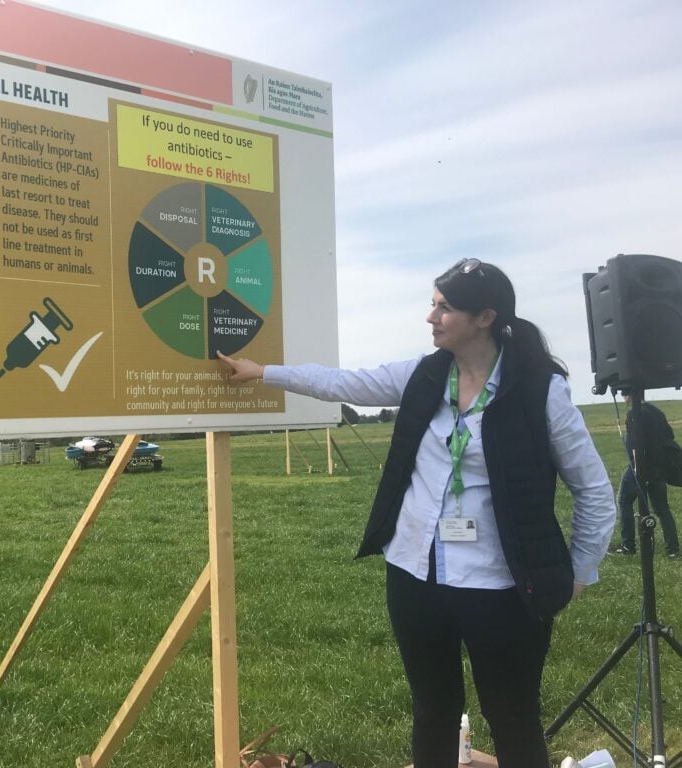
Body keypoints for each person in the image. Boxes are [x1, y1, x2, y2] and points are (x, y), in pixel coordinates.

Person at [219, 259, 616, 768]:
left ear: (485, 317)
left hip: (504, 588)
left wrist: (580, 573)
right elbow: (342, 383)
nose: (431, 317)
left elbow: (595, 491)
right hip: (415, 576)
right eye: (433, 304)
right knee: (433, 713)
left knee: (512, 716)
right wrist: (263, 373)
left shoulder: (542, 391)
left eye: (444, 307)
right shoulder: (423, 376)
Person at [613, 395, 680, 558]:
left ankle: (628, 545)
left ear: (629, 394)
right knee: (662, 508)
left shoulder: (634, 413)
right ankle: (673, 550)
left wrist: (638, 471)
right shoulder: (656, 412)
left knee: (624, 501)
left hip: (642, 467)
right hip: (660, 467)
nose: (622, 395)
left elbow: (635, 445)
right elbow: (669, 436)